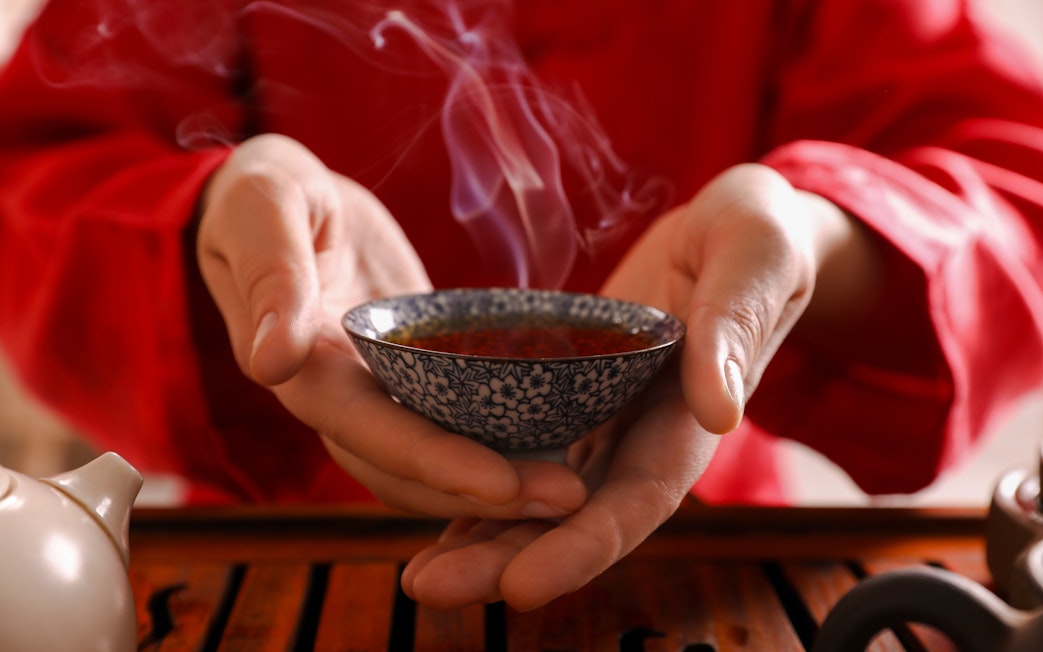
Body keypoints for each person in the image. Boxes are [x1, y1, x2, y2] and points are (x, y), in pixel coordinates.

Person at [1, 0, 1042, 611]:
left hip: (702, 532)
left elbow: (1014, 185)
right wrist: (227, 219)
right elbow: (31, 187)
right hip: (292, 537)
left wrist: (810, 236)